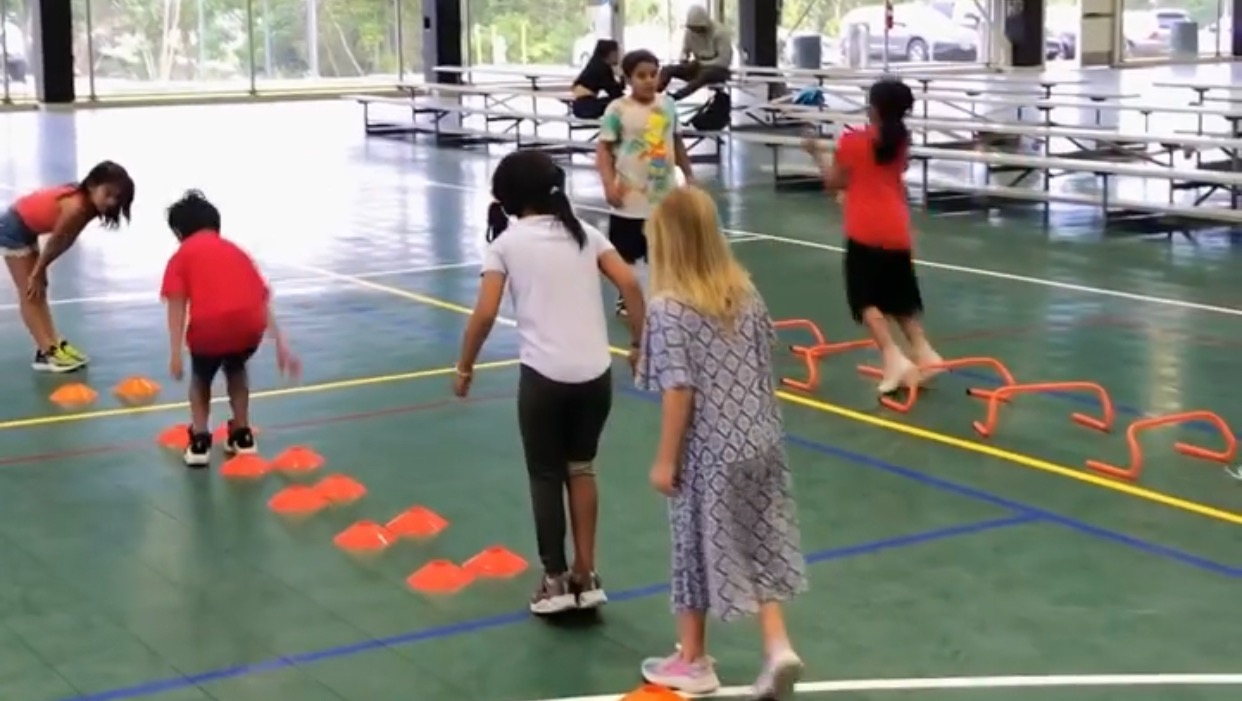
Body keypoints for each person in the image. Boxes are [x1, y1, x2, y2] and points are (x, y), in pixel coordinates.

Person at [454, 150, 646, 616]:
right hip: (594, 377)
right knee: (581, 468)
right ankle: (587, 574)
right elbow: (631, 284)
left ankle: (555, 580)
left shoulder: (505, 245)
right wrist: (640, 344)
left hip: (544, 379)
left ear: (508, 199)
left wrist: (465, 367)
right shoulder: (586, 234)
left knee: (545, 474)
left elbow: (485, 313)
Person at [636, 185, 805, 699]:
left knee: (691, 544)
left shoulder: (668, 308)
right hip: (760, 439)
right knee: (759, 541)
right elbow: (762, 361)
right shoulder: (744, 292)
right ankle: (777, 644)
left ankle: (692, 659)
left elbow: (679, 389)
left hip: (708, 451)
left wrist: (665, 459)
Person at [802, 78, 942, 395]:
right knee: (899, 297)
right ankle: (924, 352)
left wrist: (816, 153)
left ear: (875, 108)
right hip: (897, 228)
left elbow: (834, 182)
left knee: (865, 299)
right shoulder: (900, 142)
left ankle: (893, 357)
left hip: (865, 228)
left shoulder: (853, 141)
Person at [161, 191, 300, 468]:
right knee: (236, 370)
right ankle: (242, 434)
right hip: (249, 328)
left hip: (209, 330)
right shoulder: (237, 251)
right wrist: (281, 345)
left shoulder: (182, 255)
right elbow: (261, 299)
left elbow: (176, 304)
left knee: (201, 380)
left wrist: (175, 353)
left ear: (179, 232)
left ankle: (200, 440)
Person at [0, 161, 135, 372]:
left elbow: (66, 240)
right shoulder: (76, 207)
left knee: (38, 291)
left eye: (117, 198)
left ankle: (54, 342)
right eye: (107, 194)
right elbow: (56, 241)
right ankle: (46, 352)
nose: (111, 202)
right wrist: (38, 271)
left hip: (26, 228)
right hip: (12, 229)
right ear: (92, 185)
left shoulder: (90, 206)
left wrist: (40, 270)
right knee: (29, 292)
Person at [597, 48, 694, 318]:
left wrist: (689, 175)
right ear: (628, 78)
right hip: (629, 197)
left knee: (663, 251)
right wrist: (608, 185)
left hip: (663, 196)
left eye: (653, 74)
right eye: (641, 75)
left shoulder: (668, 105)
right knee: (626, 254)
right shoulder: (617, 109)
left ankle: (662, 299)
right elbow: (603, 151)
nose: (649, 80)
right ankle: (627, 298)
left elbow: (676, 142)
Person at [657, 6, 733, 101]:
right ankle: (654, 93)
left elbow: (724, 61)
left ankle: (676, 96)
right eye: (693, 28)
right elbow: (685, 50)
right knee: (668, 69)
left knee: (705, 74)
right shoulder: (690, 33)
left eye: (698, 28)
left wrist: (702, 63)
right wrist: (683, 58)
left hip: (718, 69)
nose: (695, 31)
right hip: (698, 65)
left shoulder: (720, 33)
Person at [571, 39, 624, 119]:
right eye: (617, 53)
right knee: (620, 103)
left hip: (581, 107)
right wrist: (622, 75)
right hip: (587, 108)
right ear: (611, 53)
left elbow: (614, 90)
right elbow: (615, 92)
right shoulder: (602, 68)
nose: (618, 57)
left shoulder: (596, 64)